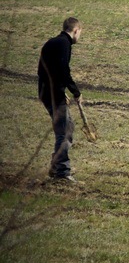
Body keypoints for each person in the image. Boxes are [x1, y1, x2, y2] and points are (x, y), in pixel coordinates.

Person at [38, 17, 83, 182]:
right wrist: (75, 92)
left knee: (67, 126)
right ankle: (61, 172)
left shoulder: (53, 42)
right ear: (76, 30)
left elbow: (47, 70)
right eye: (80, 33)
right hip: (52, 95)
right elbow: (64, 70)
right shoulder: (64, 44)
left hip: (48, 92)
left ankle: (57, 166)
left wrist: (60, 90)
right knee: (63, 131)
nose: (79, 37)